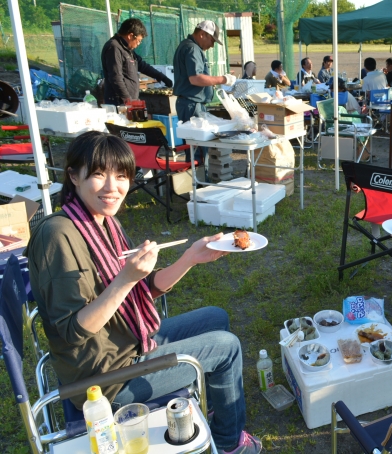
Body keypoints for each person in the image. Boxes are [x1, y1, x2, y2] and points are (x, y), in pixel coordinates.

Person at [26, 131, 262, 454]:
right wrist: (125, 279)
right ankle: (228, 443)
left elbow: (140, 291)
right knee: (227, 348)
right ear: (74, 176)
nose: (112, 187)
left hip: (126, 342)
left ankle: (217, 413)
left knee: (216, 317)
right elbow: (72, 331)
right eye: (99, 174)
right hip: (105, 381)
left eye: (122, 176)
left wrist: (190, 258)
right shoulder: (57, 234)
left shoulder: (102, 221)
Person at [173, 20, 235, 164]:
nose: (212, 45)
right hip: (192, 104)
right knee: (198, 151)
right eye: (212, 40)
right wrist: (223, 79)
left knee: (196, 148)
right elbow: (196, 78)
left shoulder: (187, 46)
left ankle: (199, 175)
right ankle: (199, 177)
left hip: (191, 104)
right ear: (202, 34)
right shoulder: (192, 48)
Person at [101, 18, 173, 106]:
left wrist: (161, 77)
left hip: (131, 100)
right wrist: (128, 100)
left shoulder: (127, 49)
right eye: (138, 40)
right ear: (130, 36)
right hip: (120, 102)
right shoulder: (114, 47)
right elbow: (116, 77)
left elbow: (142, 65)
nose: (138, 44)